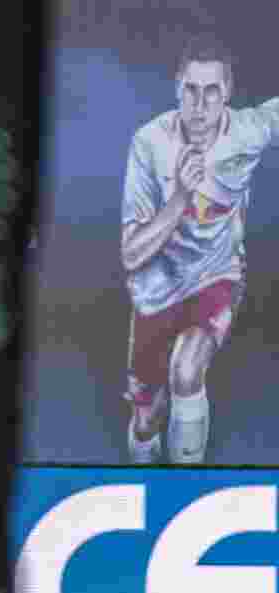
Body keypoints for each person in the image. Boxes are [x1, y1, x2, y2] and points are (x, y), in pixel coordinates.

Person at [121, 35, 279, 463]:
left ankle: (183, 482)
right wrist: (179, 200)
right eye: (191, 90)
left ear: (227, 93)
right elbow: (132, 255)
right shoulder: (149, 144)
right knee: (145, 421)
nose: (200, 105)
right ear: (177, 88)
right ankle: (144, 468)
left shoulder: (248, 131)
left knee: (187, 370)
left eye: (212, 92)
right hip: (155, 288)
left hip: (217, 275)